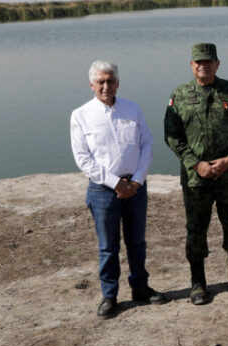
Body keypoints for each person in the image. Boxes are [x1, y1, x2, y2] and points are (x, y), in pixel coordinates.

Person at [70, 60, 165, 318]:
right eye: (100, 81)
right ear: (91, 84)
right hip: (103, 192)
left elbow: (147, 143)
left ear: (118, 83)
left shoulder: (132, 109)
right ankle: (110, 296)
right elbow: (83, 158)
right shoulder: (81, 115)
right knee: (108, 247)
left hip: (135, 188)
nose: (106, 86)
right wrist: (116, 183)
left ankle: (141, 288)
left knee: (137, 243)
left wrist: (135, 181)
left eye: (110, 81)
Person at [165, 43, 228, 305]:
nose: (203, 66)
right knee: (196, 229)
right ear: (191, 65)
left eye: (208, 61)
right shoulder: (180, 95)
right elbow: (172, 136)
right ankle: (198, 283)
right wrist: (196, 164)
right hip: (196, 178)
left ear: (217, 64)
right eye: (198, 62)